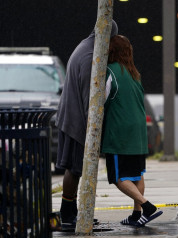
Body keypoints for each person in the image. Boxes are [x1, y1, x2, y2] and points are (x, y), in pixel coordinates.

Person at [55, 20, 118, 227]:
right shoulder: (91, 56)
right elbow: (89, 98)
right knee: (74, 168)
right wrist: (94, 131)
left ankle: (72, 214)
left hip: (70, 116)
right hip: (76, 121)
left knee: (75, 168)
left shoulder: (85, 47)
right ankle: (67, 216)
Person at [101, 35, 163, 227]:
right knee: (137, 174)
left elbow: (100, 101)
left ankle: (147, 207)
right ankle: (136, 215)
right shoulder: (134, 73)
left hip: (120, 131)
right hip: (138, 130)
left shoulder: (109, 72)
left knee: (118, 177)